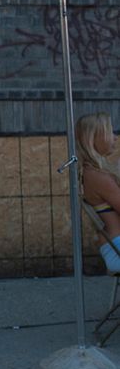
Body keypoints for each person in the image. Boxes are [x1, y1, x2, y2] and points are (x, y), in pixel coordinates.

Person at [76, 112, 120, 273]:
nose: (115, 137)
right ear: (94, 138)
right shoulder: (98, 177)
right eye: (110, 132)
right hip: (117, 248)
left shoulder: (92, 172)